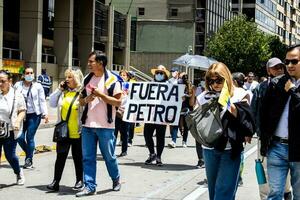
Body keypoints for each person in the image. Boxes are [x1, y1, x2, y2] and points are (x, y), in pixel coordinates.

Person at [196, 62, 255, 200]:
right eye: (211, 80)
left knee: (223, 193)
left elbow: (246, 119)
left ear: (227, 77)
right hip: (209, 148)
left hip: (230, 149)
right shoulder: (203, 96)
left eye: (219, 80)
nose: (215, 84)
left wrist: (227, 102)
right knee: (214, 192)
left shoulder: (241, 93)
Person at [76, 51, 122, 197]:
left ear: (100, 63)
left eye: (91, 62)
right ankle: (90, 186)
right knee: (88, 157)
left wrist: (101, 95)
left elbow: (118, 102)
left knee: (109, 156)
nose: (88, 64)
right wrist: (86, 100)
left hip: (106, 127)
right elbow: (81, 100)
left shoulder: (112, 79)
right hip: (88, 125)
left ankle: (116, 179)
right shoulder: (87, 79)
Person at [260, 45, 300, 200]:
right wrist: (264, 142)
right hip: (276, 147)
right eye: (287, 62)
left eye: (294, 62)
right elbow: (264, 113)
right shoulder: (276, 84)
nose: (289, 65)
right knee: (275, 193)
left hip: (298, 149)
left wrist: (293, 91)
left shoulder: (290, 87)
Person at [251, 57, 292, 200]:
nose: (279, 69)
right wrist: (256, 132)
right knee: (265, 173)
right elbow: (254, 111)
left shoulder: (289, 84)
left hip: (285, 139)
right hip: (266, 138)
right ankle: (265, 196)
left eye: (281, 66)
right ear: (268, 70)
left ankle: (287, 193)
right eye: (275, 67)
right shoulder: (261, 87)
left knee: (285, 176)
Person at [47, 68, 84, 191]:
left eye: (70, 77)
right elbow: (52, 103)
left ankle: (80, 180)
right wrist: (59, 89)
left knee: (78, 157)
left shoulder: (83, 93)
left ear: (77, 79)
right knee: (60, 157)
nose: (66, 80)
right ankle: (55, 181)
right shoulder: (63, 92)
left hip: (78, 132)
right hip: (63, 131)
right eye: (66, 77)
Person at [14, 66, 49, 169]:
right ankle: (30, 151)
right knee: (19, 137)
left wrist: (45, 114)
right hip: (21, 114)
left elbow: (42, 100)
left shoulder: (38, 86)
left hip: (34, 115)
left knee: (30, 137)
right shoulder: (17, 85)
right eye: (27, 73)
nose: (29, 75)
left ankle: (29, 159)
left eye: (31, 73)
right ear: (23, 75)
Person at [0, 70, 26, 185]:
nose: (0, 84)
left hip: (10, 130)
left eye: (2, 81)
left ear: (10, 81)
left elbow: (22, 111)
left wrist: (17, 121)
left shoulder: (16, 95)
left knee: (10, 155)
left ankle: (18, 171)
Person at [144, 65, 169, 166]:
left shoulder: (169, 86)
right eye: (157, 73)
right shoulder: (149, 85)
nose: (158, 74)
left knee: (160, 137)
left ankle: (158, 156)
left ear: (165, 75)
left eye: (161, 73)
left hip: (162, 115)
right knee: (147, 135)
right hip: (150, 115)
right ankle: (152, 154)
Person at [114, 70, 130, 157]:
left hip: (126, 112)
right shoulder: (117, 85)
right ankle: (111, 150)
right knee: (114, 133)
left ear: (127, 77)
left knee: (124, 133)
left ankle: (124, 150)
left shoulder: (130, 86)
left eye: (124, 75)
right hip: (116, 111)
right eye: (121, 75)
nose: (122, 76)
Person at [168, 66, 180, 148]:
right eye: (172, 71)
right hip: (170, 104)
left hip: (178, 104)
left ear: (177, 72)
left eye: (174, 71)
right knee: (171, 122)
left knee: (175, 122)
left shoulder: (181, 81)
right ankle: (173, 136)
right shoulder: (169, 81)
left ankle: (173, 140)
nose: (173, 73)